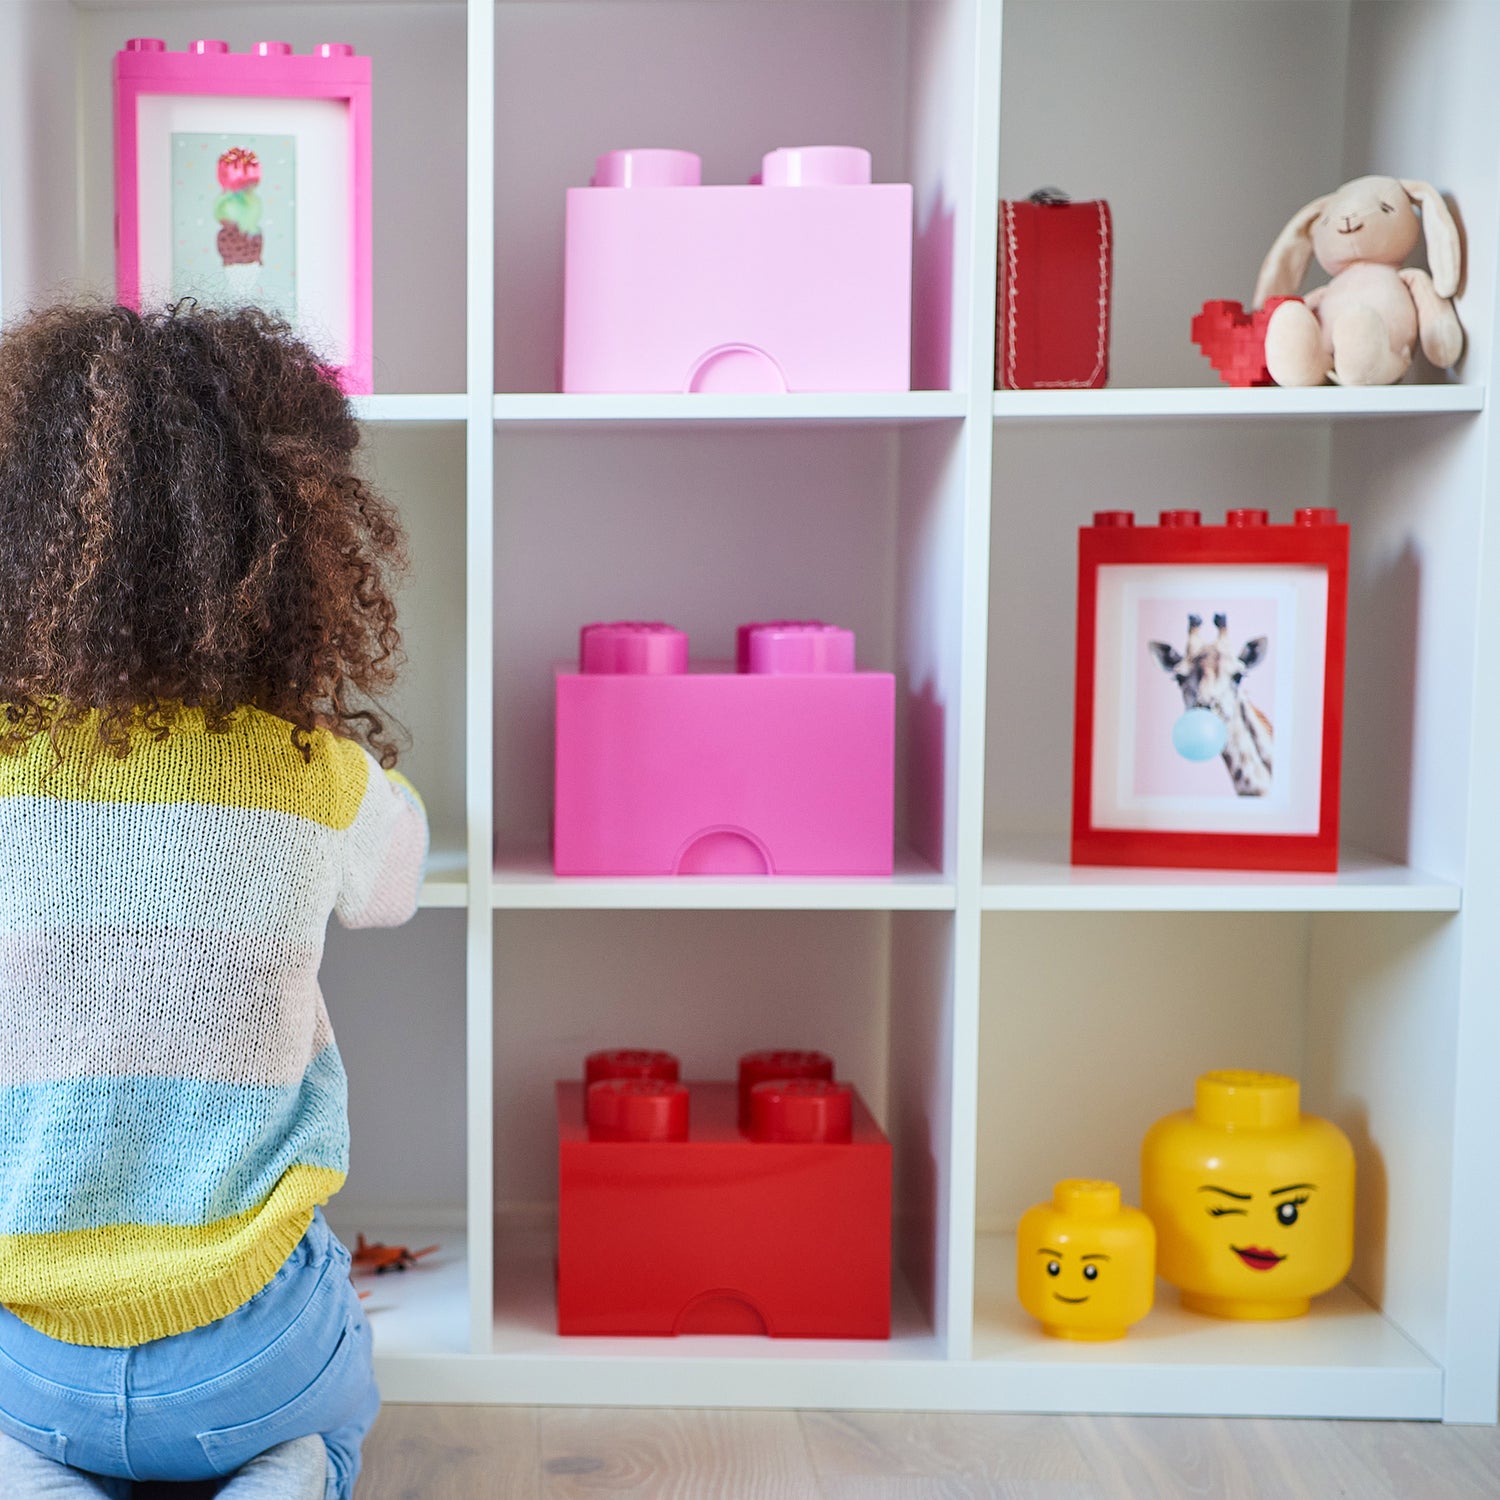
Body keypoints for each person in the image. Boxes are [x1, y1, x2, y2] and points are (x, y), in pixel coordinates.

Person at [0, 303, 427, 1497]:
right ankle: (289, 1467)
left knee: (21, 1436)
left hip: (36, 1351)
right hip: (251, 1348)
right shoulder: (313, 774)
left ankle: (47, 1476)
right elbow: (397, 884)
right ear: (295, 545)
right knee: (339, 1406)